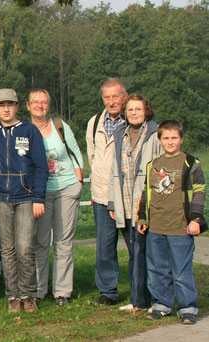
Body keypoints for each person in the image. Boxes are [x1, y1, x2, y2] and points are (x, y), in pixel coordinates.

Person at [0, 89, 48, 312]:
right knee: (8, 249)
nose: (6, 109)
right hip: (1, 197)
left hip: (27, 197)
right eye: (1, 105)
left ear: (17, 107)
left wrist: (39, 197)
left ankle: (28, 294)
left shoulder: (30, 130)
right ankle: (12, 296)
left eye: (10, 104)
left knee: (24, 248)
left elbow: (42, 166)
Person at [137, 120, 205, 324]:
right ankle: (161, 304)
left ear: (181, 139)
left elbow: (200, 192)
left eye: (174, 137)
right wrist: (143, 217)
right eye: (166, 137)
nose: (170, 141)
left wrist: (196, 219)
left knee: (181, 270)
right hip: (156, 227)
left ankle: (188, 308)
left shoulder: (191, 163)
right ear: (159, 140)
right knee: (157, 268)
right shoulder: (153, 165)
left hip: (181, 227)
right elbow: (145, 193)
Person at [28, 89, 83, 307]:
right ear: (28, 105)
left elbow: (75, 152)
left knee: (63, 242)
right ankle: (39, 291)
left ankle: (62, 292)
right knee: (40, 242)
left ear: (49, 105)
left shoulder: (60, 125)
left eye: (44, 102)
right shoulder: (25, 129)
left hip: (66, 189)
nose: (39, 106)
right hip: (40, 193)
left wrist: (79, 181)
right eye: (35, 102)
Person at [107, 94, 162, 312]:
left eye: (138, 109)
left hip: (145, 205)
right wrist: (112, 202)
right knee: (134, 254)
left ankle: (154, 299)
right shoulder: (120, 133)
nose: (134, 113)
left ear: (146, 111)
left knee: (148, 253)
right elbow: (113, 169)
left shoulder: (155, 134)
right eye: (130, 110)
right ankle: (138, 299)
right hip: (124, 203)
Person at [86, 78, 129, 305]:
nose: (111, 102)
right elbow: (93, 157)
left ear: (124, 95)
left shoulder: (133, 119)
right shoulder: (94, 123)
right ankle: (108, 292)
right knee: (104, 248)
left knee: (137, 247)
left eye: (115, 96)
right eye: (107, 97)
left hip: (129, 197)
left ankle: (144, 291)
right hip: (102, 197)